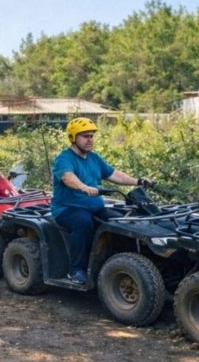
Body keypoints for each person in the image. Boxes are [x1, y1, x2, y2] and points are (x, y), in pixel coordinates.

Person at [52, 117, 153, 285]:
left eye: (91, 136)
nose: (89, 140)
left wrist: (138, 181)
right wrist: (83, 187)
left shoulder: (94, 158)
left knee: (121, 221)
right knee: (83, 223)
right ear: (73, 138)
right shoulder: (64, 158)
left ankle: (119, 264)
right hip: (67, 209)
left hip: (95, 207)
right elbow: (67, 177)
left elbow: (114, 174)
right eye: (85, 136)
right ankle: (77, 270)